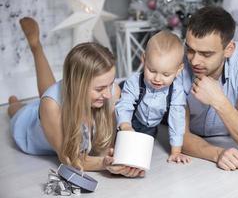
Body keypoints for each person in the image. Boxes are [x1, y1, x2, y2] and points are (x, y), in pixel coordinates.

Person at [7, 17, 144, 177]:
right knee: (22, 109)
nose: (108, 94)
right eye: (99, 88)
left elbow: (107, 147)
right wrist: (103, 164)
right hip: (29, 124)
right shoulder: (51, 106)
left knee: (50, 94)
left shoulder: (112, 92)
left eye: (111, 83)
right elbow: (69, 159)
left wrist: (119, 160)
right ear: (77, 85)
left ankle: (37, 51)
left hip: (60, 101)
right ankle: (35, 49)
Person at [181, 6, 238, 171]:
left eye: (206, 54)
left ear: (229, 49)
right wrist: (217, 153)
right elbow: (180, 136)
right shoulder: (178, 60)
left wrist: (218, 101)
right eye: (190, 50)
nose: (194, 61)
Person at [115, 31, 191, 164]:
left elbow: (177, 119)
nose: (157, 79)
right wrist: (125, 125)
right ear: (144, 59)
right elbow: (125, 104)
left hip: (150, 126)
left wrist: (176, 151)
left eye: (166, 74)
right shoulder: (134, 81)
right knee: (118, 149)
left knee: (140, 154)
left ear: (178, 70)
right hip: (130, 119)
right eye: (152, 70)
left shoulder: (176, 90)